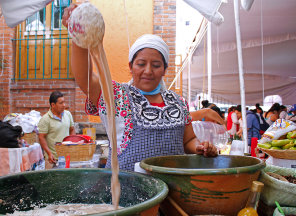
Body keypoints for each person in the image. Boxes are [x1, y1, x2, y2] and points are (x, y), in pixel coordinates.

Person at [62, 5, 217, 171]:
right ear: (131, 66)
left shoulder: (178, 103)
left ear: (165, 69)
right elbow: (85, 78)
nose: (148, 71)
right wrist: (78, 34)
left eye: (156, 65)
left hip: (171, 191)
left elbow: (187, 141)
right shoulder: (117, 96)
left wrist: (200, 147)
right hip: (126, 190)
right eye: (141, 64)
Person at [38, 91, 75, 169]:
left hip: (68, 158)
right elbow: (41, 137)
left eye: (64, 102)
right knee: (52, 180)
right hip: (53, 159)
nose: (64, 105)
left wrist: (73, 145)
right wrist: (49, 153)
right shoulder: (45, 119)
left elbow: (72, 130)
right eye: (61, 103)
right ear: (53, 105)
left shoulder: (68, 114)